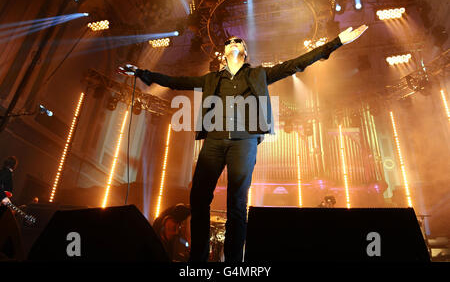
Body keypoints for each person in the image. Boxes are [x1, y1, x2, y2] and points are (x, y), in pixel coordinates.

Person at [120, 25, 368, 262]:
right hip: (214, 142)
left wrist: (336, 43)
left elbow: (297, 64)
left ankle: (234, 263)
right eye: (229, 42)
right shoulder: (211, 79)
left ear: (245, 52)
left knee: (237, 203)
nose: (233, 42)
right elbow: (175, 81)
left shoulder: (259, 74)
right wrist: (142, 73)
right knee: (198, 199)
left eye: (238, 41)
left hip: (244, 141)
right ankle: (198, 259)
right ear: (224, 53)